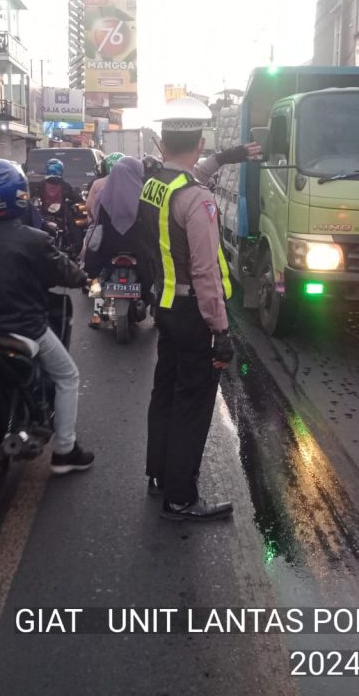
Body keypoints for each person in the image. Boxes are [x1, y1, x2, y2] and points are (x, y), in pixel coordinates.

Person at [0, 159, 94, 474]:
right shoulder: (35, 238)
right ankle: (64, 451)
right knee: (68, 377)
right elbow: (66, 273)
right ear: (18, 194)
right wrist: (83, 278)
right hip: (25, 328)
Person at [136, 97, 240, 522]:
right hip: (195, 314)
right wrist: (222, 330)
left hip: (165, 307)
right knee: (192, 404)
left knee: (165, 392)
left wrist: (229, 157)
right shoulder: (197, 200)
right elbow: (206, 274)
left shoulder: (155, 185)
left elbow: (193, 171)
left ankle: (159, 474)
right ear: (198, 142)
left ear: (163, 145)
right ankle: (180, 497)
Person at [82, 156, 151, 328]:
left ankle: (97, 315)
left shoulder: (103, 195)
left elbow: (95, 218)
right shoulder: (145, 195)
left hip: (108, 247)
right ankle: (153, 308)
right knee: (152, 273)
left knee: (95, 275)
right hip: (138, 248)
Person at [85, 152, 123, 219]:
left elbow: (89, 206)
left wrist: (96, 220)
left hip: (102, 224)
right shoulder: (133, 182)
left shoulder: (97, 183)